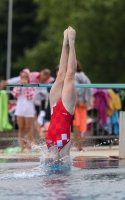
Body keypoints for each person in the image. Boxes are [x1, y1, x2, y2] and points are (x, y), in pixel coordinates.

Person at [45, 26, 77, 162]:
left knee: (62, 76)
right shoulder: (65, 153)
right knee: (67, 76)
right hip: (65, 110)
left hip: (55, 110)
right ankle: (70, 42)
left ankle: (67, 42)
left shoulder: (54, 152)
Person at [12, 69, 37, 152]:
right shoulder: (18, 85)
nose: (24, 78)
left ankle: (28, 147)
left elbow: (29, 96)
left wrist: (26, 86)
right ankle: (21, 147)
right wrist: (20, 86)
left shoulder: (32, 86)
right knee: (21, 128)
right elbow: (14, 94)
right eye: (22, 77)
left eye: (26, 77)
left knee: (28, 128)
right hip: (19, 109)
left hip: (29, 109)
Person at [72, 61, 92, 151]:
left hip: (76, 103)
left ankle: (76, 145)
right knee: (83, 125)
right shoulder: (85, 77)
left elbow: (77, 89)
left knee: (76, 124)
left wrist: (75, 98)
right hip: (84, 103)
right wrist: (87, 101)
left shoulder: (74, 76)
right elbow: (90, 89)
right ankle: (80, 145)